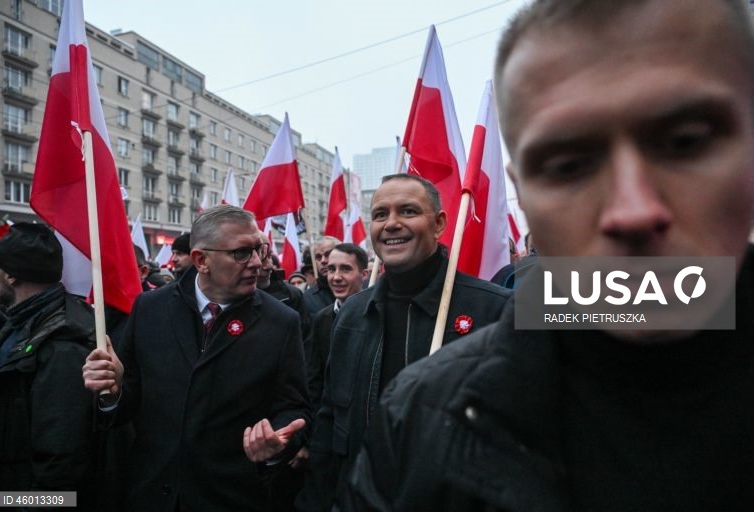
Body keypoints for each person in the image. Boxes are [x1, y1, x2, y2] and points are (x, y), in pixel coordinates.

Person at [342, 1, 754, 510]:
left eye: (685, 143)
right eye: (568, 165)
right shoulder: (421, 416)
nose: (632, 210)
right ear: (524, 194)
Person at [297, 174, 511, 510]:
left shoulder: (495, 308)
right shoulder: (352, 314)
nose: (391, 224)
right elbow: (329, 420)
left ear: (439, 224)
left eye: (408, 211)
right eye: (381, 215)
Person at [83, 205, 310, 512]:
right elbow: (127, 406)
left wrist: (276, 443)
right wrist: (112, 391)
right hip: (152, 494)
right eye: (242, 253)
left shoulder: (281, 321)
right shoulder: (150, 309)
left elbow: (293, 407)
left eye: (260, 249)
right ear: (202, 260)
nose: (257, 262)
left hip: (231, 497)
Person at [0, 223, 99, 510]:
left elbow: (62, 458)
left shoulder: (62, 343)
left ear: (11, 276)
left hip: (27, 497)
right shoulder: (20, 322)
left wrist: (20, 505)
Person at [305, 243, 368, 413]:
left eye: (346, 269)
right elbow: (315, 378)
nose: (336, 277)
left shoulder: (377, 315)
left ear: (364, 275)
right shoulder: (321, 319)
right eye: (331, 269)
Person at [302, 237, 339, 318]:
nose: (323, 261)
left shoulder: (354, 290)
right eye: (318, 257)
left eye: (328, 255)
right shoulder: (307, 298)